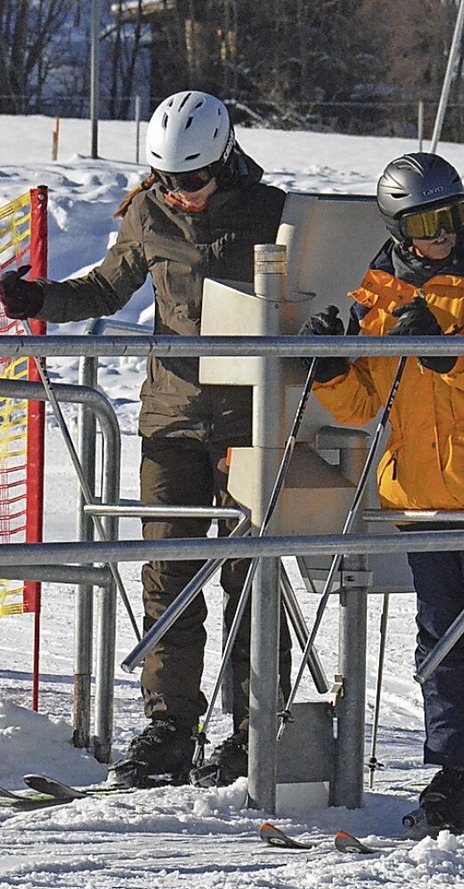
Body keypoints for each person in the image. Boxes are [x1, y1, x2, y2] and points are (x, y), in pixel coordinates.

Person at [0, 90, 292, 789]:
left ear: (225, 159)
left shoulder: (274, 213)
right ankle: (170, 726)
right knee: (166, 572)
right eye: (168, 180)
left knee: (250, 574)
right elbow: (105, 289)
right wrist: (40, 300)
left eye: (191, 180)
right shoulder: (148, 209)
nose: (180, 195)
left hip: (251, 418)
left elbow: (322, 289)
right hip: (171, 418)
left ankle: (258, 729)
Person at [299, 152, 464, 834]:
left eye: (453, 215)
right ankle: (459, 768)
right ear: (400, 228)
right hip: (420, 494)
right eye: (428, 222)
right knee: (440, 640)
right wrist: (330, 366)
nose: (443, 232)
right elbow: (365, 404)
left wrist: (445, 352)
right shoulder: (378, 297)